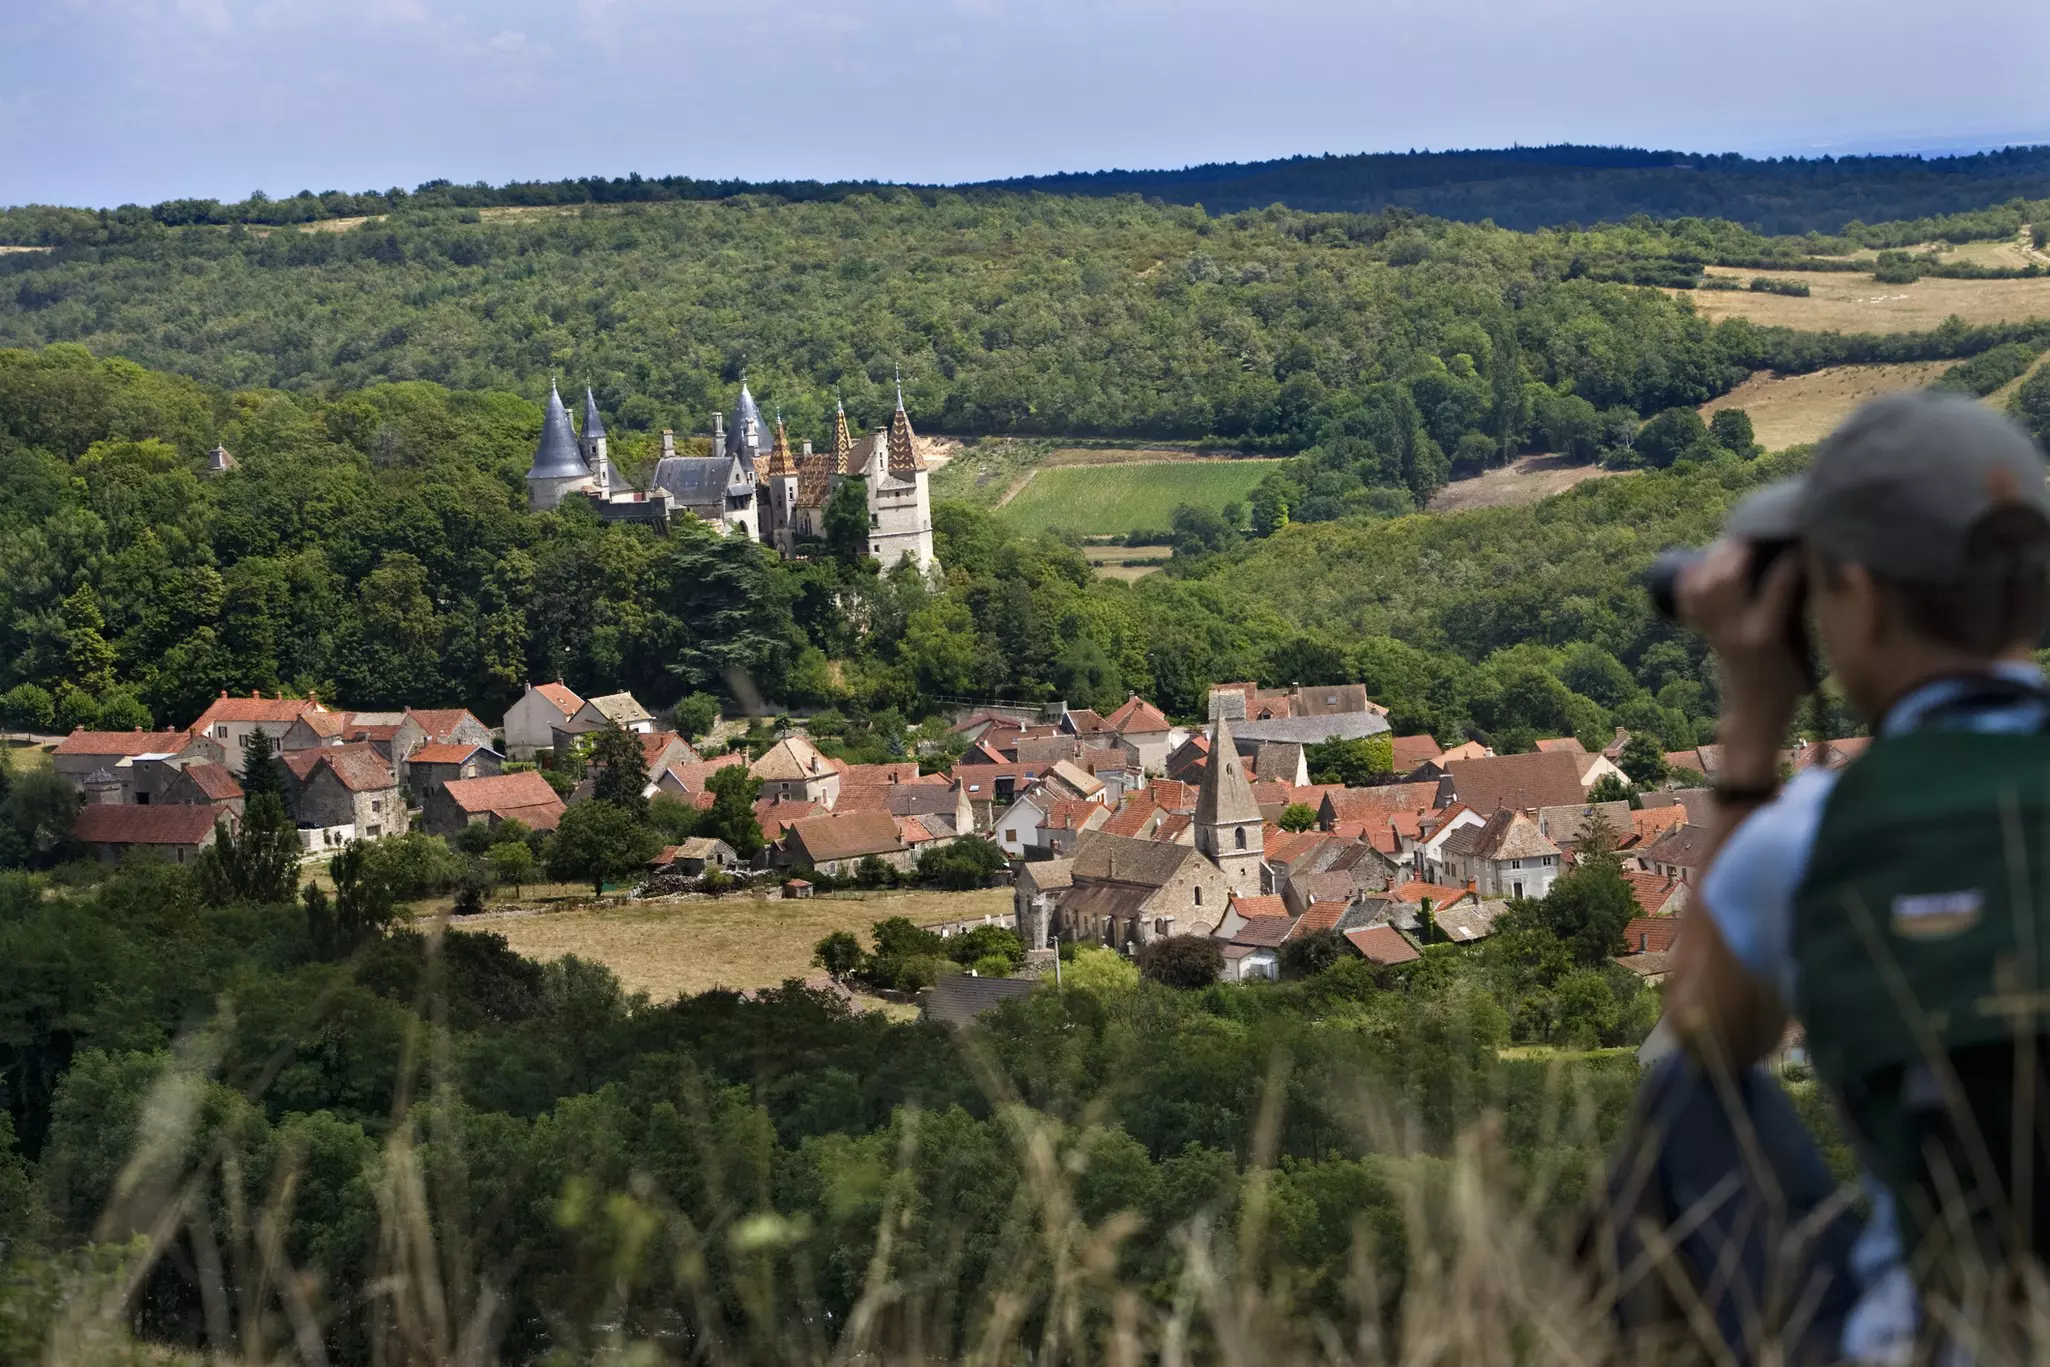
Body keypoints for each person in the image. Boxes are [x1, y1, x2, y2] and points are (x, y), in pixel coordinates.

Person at [1607, 391, 2050, 1363]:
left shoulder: (1811, 836)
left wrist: (1755, 720)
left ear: (1863, 593)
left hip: (1929, 1342)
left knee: (1684, 1099)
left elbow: (1695, 1039)